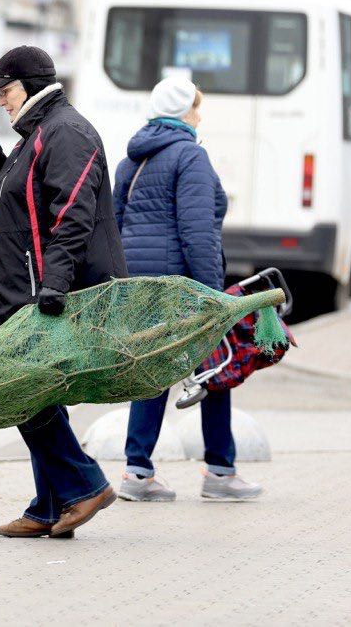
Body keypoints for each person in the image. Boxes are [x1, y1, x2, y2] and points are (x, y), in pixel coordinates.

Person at [0, 45, 127, 539]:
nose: (1, 100)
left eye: (6, 90)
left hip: (51, 292)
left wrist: (56, 285)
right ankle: (50, 503)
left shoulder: (68, 132)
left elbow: (73, 215)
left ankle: (84, 487)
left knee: (22, 391)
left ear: (33, 87)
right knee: (37, 392)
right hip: (27, 288)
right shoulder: (40, 133)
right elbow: (29, 201)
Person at [112, 75, 263, 502]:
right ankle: (220, 471)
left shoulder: (131, 162)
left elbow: (114, 224)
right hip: (182, 284)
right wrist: (212, 294)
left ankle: (137, 472)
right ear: (183, 112)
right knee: (216, 369)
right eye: (197, 107)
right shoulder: (189, 158)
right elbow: (197, 231)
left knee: (153, 370)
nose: (200, 116)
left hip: (140, 285)